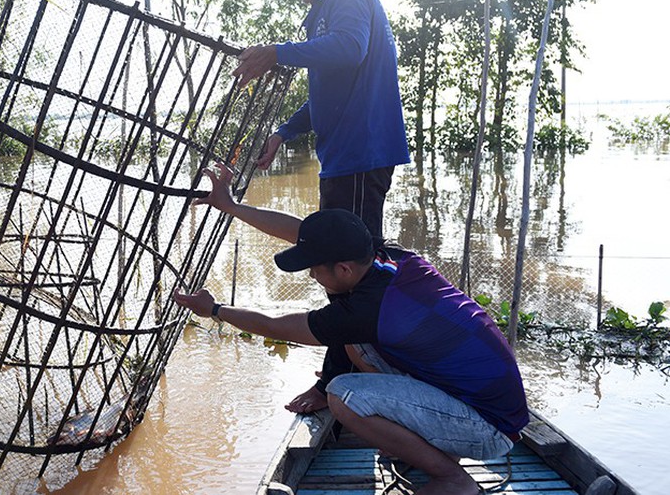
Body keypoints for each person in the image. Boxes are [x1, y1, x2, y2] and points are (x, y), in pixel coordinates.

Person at [173, 164, 528, 495]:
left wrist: (215, 309)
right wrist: (232, 207)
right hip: (491, 402)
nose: (311, 276)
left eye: (314, 269)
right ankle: (433, 447)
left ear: (342, 269)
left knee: (342, 394)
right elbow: (303, 232)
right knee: (356, 348)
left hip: (489, 428)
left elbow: (274, 325)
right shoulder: (387, 255)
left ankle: (452, 479)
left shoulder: (367, 310)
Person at [231, 0, 410, 244]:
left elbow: (351, 47)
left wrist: (276, 53)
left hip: (360, 151)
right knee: (337, 257)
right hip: (345, 155)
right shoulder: (327, 7)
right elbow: (332, 93)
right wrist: (284, 132)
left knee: (352, 261)